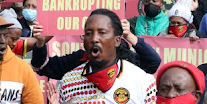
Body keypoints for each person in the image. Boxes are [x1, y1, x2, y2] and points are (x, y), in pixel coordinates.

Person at [32, 19, 162, 79]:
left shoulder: (127, 61)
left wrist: (130, 36)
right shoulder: (78, 60)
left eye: (102, 32)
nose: (95, 39)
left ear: (116, 40)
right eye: (88, 33)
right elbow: (43, 67)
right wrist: (41, 43)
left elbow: (153, 62)